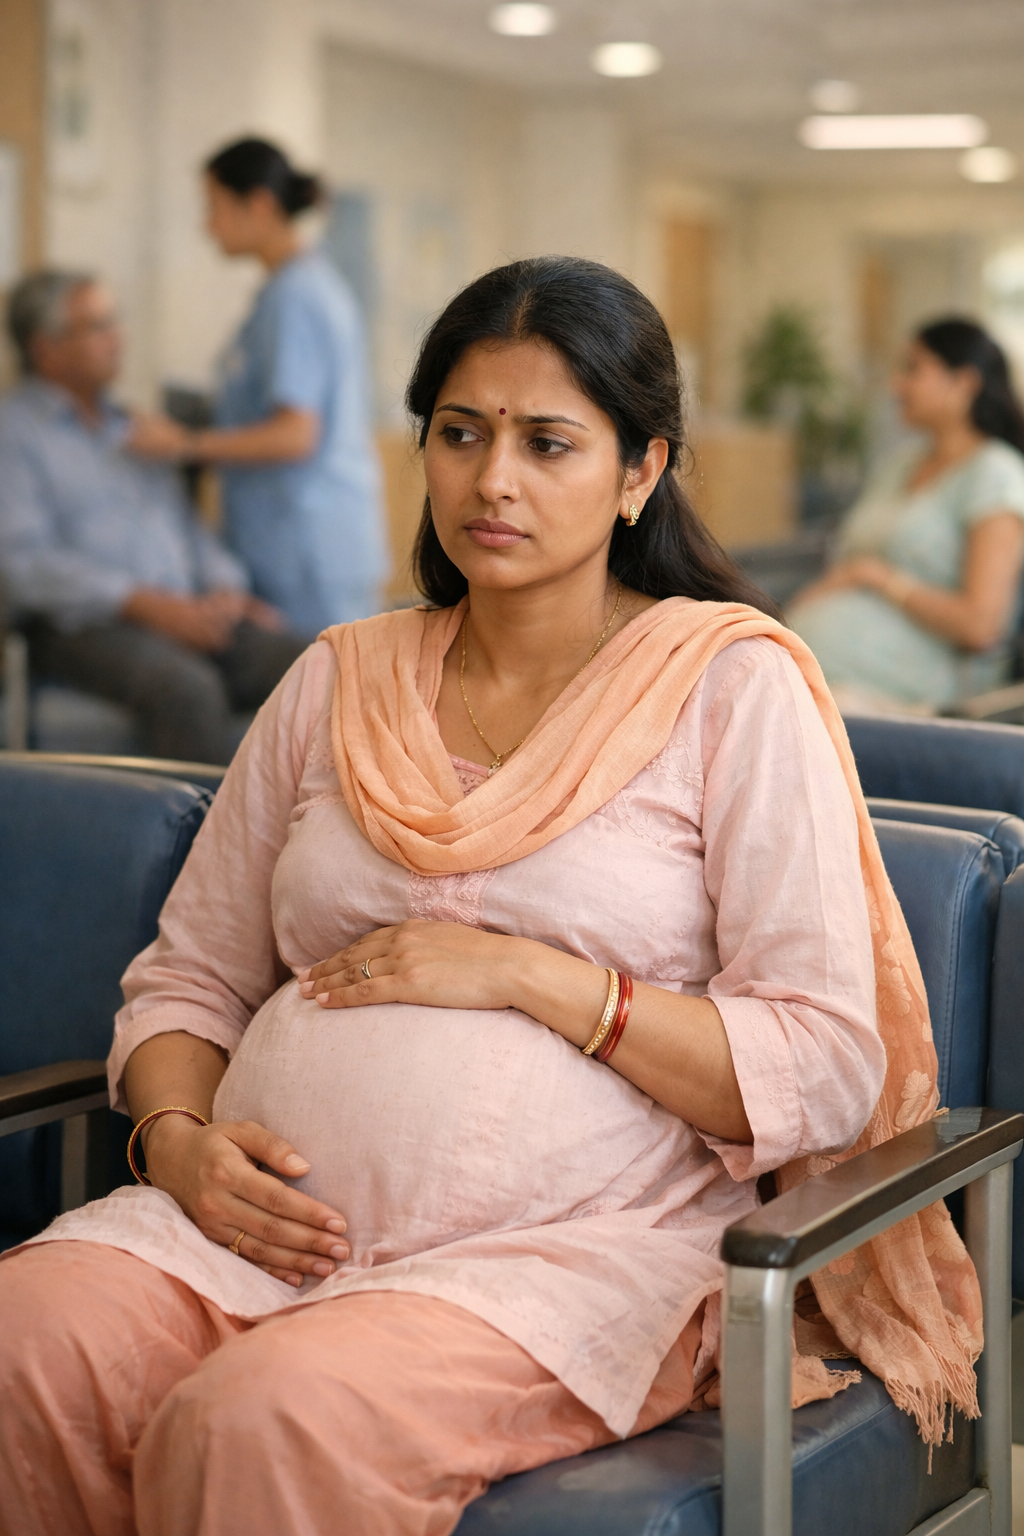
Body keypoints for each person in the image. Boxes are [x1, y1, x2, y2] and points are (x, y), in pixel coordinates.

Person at [0, 258, 981, 1536]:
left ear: (640, 472)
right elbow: (189, 976)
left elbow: (825, 1059)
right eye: (459, 435)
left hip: (563, 1251)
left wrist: (533, 975)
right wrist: (179, 1143)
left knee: (261, 1419)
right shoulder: (336, 679)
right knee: (24, 1340)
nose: (493, 480)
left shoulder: (727, 691)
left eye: (547, 442)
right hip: (243, 1230)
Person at [0, 269, 306, 764]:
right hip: (86, 626)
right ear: (46, 349)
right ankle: (199, 842)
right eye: (97, 326)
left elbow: (186, 525)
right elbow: (24, 565)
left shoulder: (134, 427)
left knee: (313, 661)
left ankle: (307, 834)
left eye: (113, 322)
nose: (116, 337)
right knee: (188, 691)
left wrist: (225, 586)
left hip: (185, 610)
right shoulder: (14, 434)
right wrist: (145, 604)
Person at [131, 137, 390, 638]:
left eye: (215, 208)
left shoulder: (296, 298)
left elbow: (296, 434)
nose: (208, 225)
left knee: (326, 704)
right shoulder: (290, 291)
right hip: (297, 540)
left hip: (308, 549)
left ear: (259, 205)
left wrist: (184, 445)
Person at [789, 317, 1024, 713]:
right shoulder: (902, 464)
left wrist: (881, 579)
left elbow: (982, 626)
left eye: (913, 369)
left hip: (932, 680)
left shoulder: (994, 475)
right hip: (835, 648)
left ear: (964, 383)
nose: (896, 385)